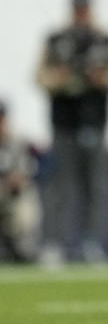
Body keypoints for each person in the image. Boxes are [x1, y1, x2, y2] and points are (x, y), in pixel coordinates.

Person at [36, 0, 108, 265]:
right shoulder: (57, 39)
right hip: (64, 123)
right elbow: (39, 75)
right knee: (59, 186)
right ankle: (52, 244)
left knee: (94, 187)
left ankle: (91, 242)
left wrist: (103, 78)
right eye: (78, 10)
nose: (81, 15)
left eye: (84, 10)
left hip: (95, 121)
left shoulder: (104, 40)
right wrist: (59, 80)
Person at [0, 100, 43, 263]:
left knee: (25, 207)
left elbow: (29, 172)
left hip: (13, 197)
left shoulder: (18, 142)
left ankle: (22, 248)